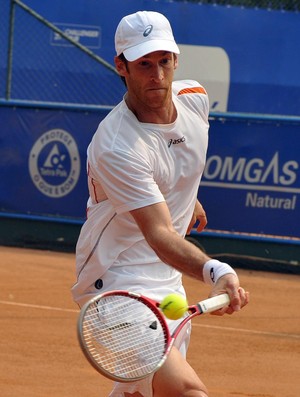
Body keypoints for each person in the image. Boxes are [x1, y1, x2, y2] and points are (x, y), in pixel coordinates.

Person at [71, 10, 249, 397]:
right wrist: (216, 271)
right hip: (115, 283)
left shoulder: (195, 99)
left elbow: (172, 164)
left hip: (168, 283)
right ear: (122, 67)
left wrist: (187, 194)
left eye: (164, 61)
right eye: (144, 64)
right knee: (189, 392)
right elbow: (158, 232)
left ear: (176, 59)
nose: (157, 75)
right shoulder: (117, 144)